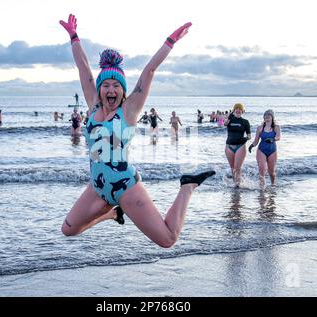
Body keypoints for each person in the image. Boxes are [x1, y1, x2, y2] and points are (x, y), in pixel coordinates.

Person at [59, 13, 215, 248]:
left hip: (125, 186)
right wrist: (74, 36)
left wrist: (170, 41)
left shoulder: (129, 110)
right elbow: (83, 68)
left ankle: (187, 186)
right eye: (106, 85)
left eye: (116, 85)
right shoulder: (92, 106)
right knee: (68, 230)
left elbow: (149, 70)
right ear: (100, 89)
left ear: (122, 90)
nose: (110, 89)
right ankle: (113, 214)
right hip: (97, 187)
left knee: (168, 238)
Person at [248, 109, 281, 186]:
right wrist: (251, 146)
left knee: (271, 172)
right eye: (265, 116)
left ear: (272, 117)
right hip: (261, 150)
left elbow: (278, 137)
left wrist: (273, 139)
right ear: (264, 118)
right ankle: (262, 188)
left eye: (269, 115)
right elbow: (256, 141)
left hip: (272, 151)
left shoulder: (276, 127)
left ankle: (273, 185)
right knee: (262, 169)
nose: (267, 117)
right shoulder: (260, 128)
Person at [224, 103, 251, 187]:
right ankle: (235, 184)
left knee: (237, 168)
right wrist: (229, 116)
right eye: (236, 108)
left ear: (242, 111)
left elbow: (249, 136)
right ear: (234, 110)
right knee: (232, 168)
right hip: (229, 147)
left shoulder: (245, 122)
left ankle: (238, 185)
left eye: (240, 109)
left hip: (240, 146)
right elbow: (224, 124)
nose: (238, 110)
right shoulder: (229, 120)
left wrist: (244, 139)